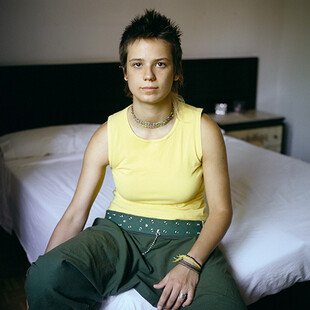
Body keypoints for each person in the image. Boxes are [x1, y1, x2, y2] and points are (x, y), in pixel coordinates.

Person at [25, 9, 247, 310]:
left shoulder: (203, 129)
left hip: (184, 240)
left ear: (177, 71)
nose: (149, 76)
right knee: (43, 278)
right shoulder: (106, 134)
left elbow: (221, 210)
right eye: (138, 64)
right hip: (118, 235)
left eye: (161, 64)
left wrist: (191, 265)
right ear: (126, 73)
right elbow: (76, 212)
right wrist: (46, 270)